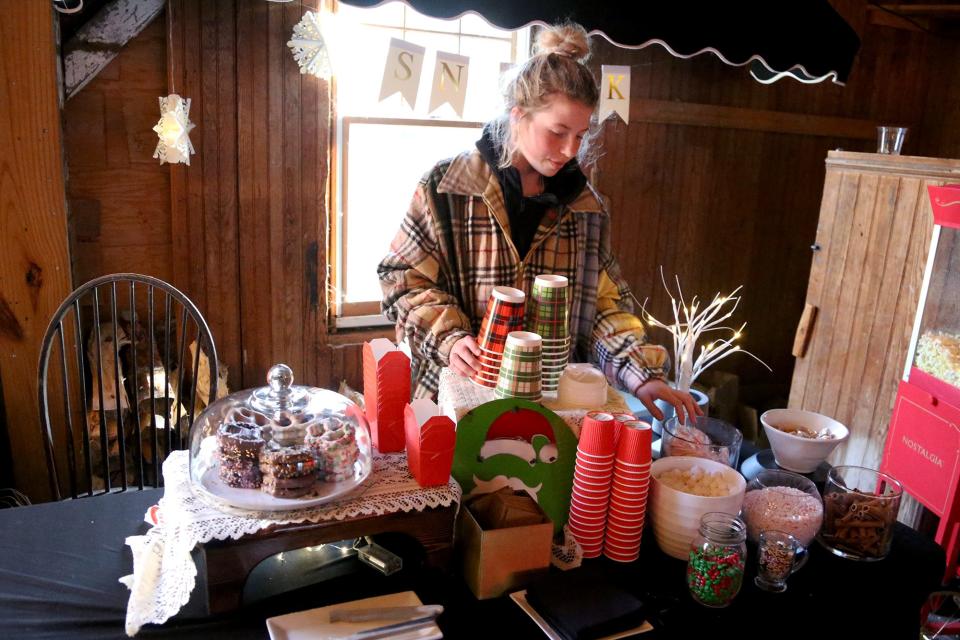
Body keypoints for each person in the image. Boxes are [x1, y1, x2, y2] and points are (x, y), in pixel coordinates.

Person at [378, 22, 701, 424]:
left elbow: (605, 304)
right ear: (518, 116)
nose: (570, 150)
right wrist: (450, 337)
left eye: (580, 135)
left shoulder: (586, 209)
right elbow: (401, 278)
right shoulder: (448, 190)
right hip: (458, 404)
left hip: (551, 415)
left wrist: (640, 373)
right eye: (558, 132)